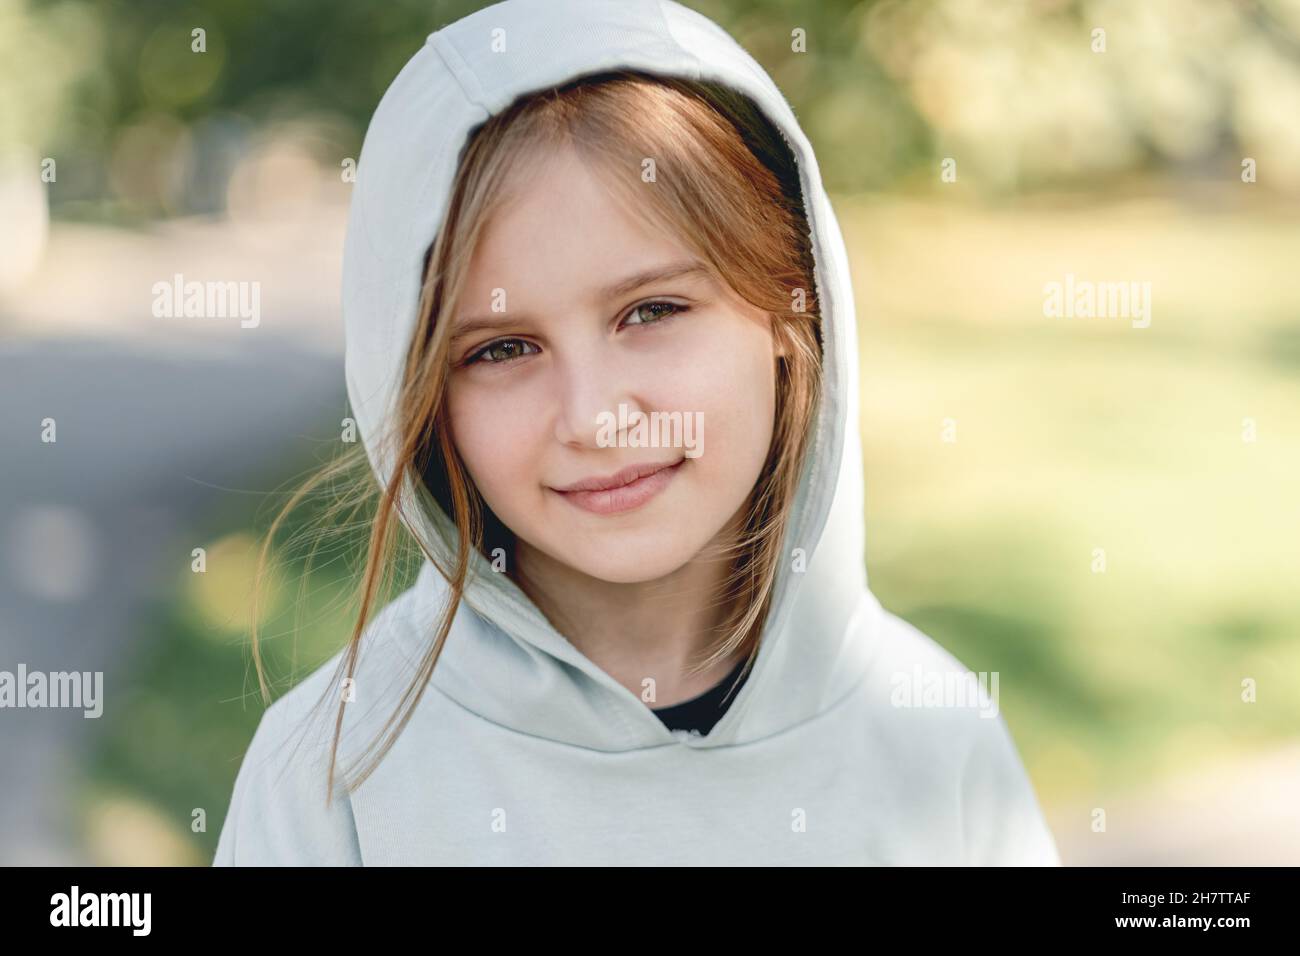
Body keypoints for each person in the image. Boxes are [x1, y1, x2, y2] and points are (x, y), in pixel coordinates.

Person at [213, 0, 1061, 866]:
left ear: (788, 303)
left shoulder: (934, 737)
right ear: (421, 390)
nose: (593, 417)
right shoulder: (332, 779)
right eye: (503, 348)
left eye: (651, 310)